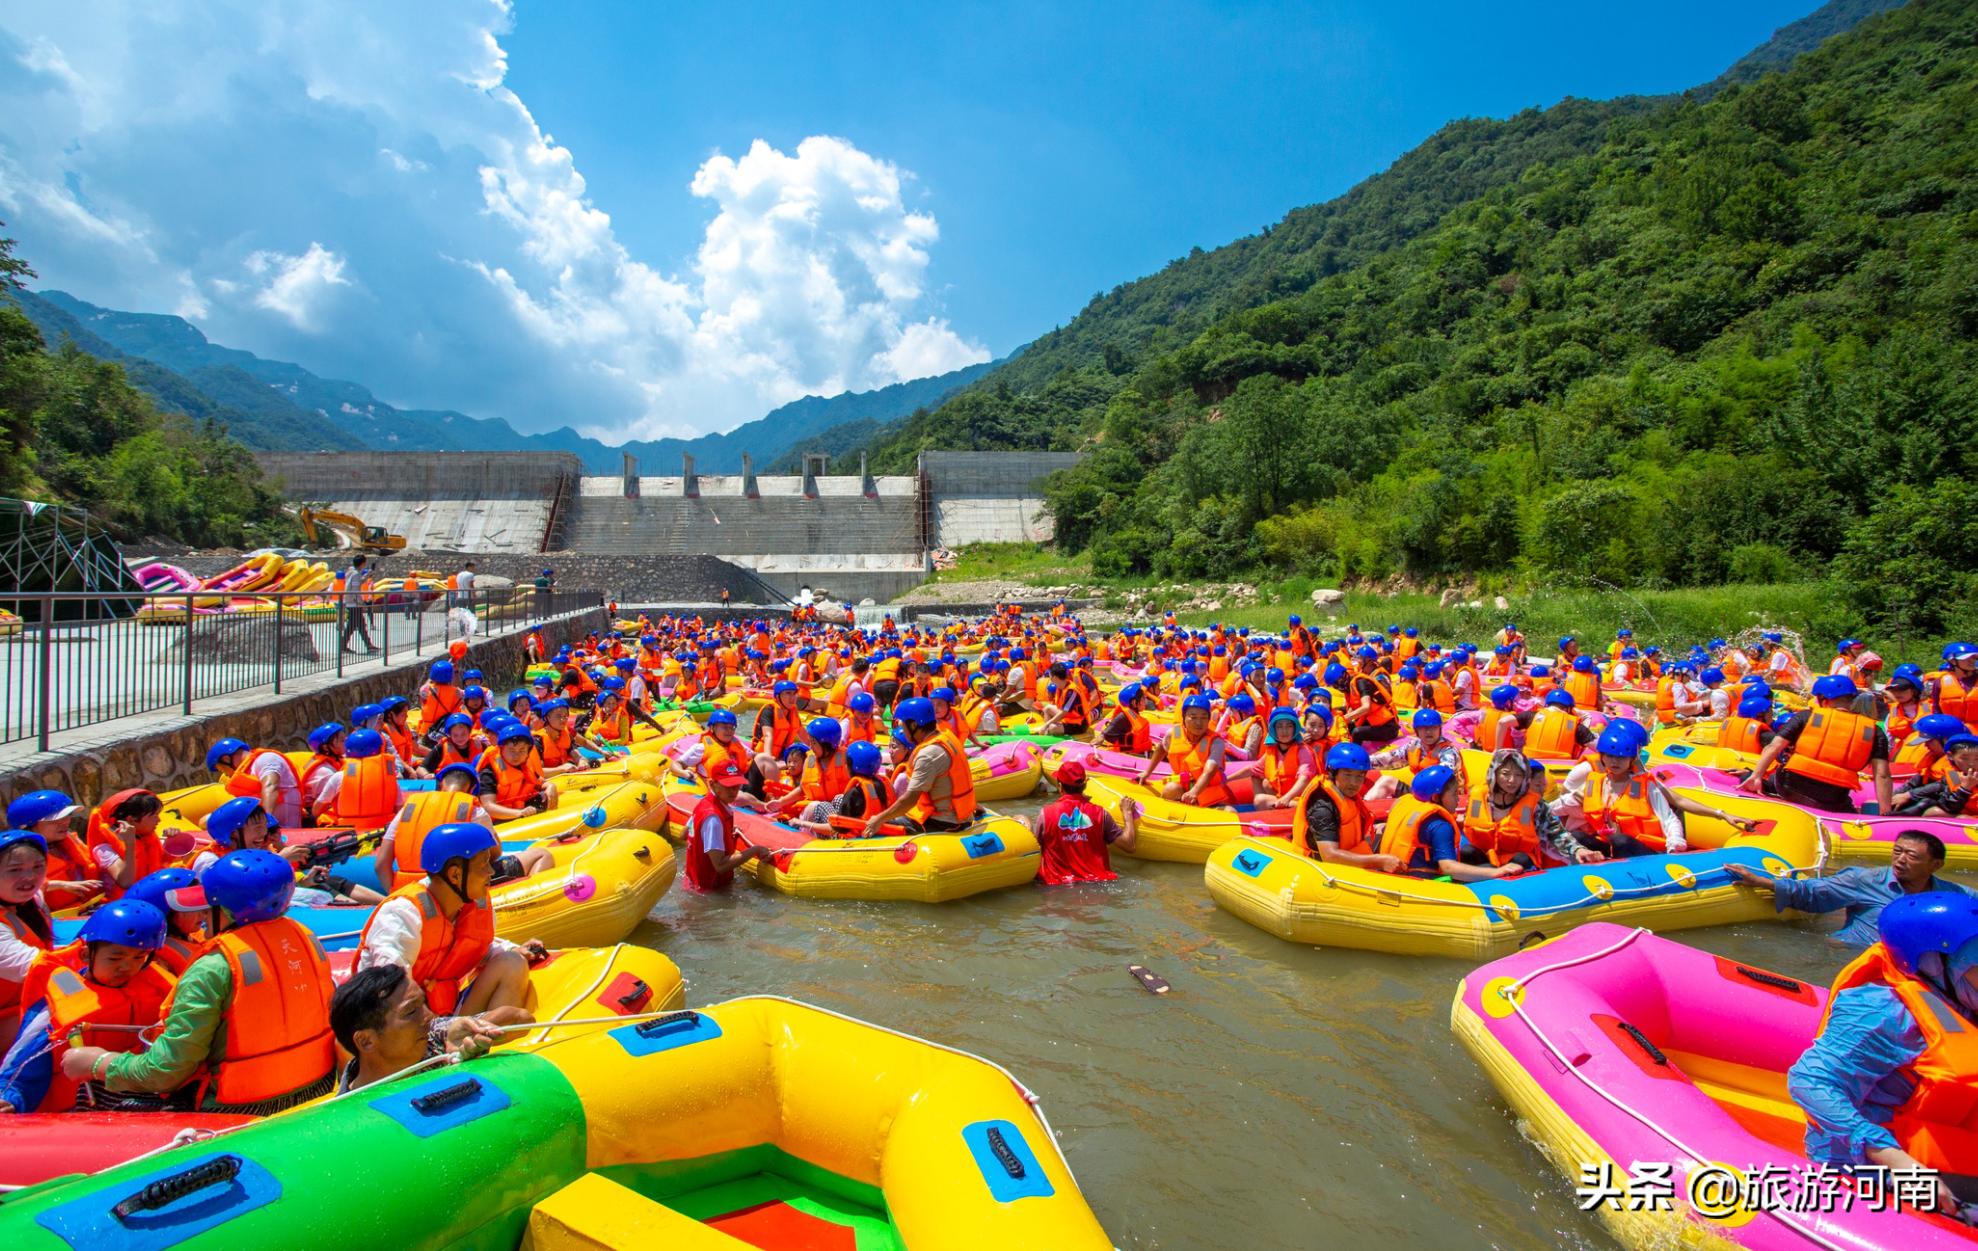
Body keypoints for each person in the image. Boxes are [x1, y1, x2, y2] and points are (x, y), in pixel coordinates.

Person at [60, 849, 337, 1114]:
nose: (203, 916)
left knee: (96, 1091)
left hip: (236, 1106)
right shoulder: (306, 939)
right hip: (314, 1087)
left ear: (227, 913)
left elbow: (165, 1072)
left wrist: (98, 1063)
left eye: (208, 908)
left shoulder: (212, 969)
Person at [1787, 893, 1978, 1213]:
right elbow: (1810, 1081)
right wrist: (1898, 1163)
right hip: (1874, 1168)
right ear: (1934, 960)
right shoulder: (1882, 1010)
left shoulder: (1963, 1001)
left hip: (1951, 1155)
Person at [356, 822, 541, 1026]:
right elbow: (391, 988)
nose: (491, 872)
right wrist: (439, 1029)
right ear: (455, 875)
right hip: (400, 1026)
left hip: (444, 1014)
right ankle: (457, 1044)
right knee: (509, 1018)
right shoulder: (402, 913)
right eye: (483, 865)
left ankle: (476, 1047)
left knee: (512, 962)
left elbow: (475, 947)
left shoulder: (469, 906)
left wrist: (515, 949)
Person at [0, 900, 173, 1114]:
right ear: (85, 955)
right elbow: (25, 1059)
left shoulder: (157, 989)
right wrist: (11, 1097)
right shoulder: (64, 998)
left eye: (139, 957)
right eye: (114, 958)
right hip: (71, 1112)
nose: (126, 967)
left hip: (133, 1102)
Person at [1729, 830, 1973, 947]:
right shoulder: (1865, 880)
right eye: (1897, 851)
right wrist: (1762, 882)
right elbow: (1814, 891)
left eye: (1911, 856)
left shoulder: (1952, 896)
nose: (1900, 860)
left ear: (1936, 865)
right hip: (1852, 951)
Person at [329, 963, 503, 1094]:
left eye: (424, 1002)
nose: (429, 1016)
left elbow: (519, 1018)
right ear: (366, 1041)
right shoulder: (347, 1120)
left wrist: (477, 1035)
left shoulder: (436, 1042)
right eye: (411, 1011)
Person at [1741, 674, 1894, 814]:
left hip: (1790, 789)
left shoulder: (1806, 717)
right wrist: (1885, 811)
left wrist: (1756, 776)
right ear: (1852, 699)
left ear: (1823, 700)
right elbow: (1882, 775)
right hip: (1833, 799)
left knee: (1766, 776)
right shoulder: (1874, 731)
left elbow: (1773, 747)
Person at [1382, 765, 1525, 881]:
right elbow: (1448, 868)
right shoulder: (1440, 826)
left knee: (1470, 852)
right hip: (1423, 883)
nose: (1458, 799)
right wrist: (1498, 872)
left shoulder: (1401, 802)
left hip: (1396, 874)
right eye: (1454, 794)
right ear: (1436, 797)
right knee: (1491, 869)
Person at [861, 698, 979, 835]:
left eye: (903, 725)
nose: (902, 729)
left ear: (913, 725)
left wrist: (878, 819)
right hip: (961, 815)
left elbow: (910, 799)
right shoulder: (947, 737)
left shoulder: (928, 754)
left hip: (942, 823)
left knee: (877, 825)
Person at [1029, 762, 1139, 884]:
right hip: (1099, 884)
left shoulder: (1045, 814)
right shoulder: (1101, 814)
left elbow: (1033, 851)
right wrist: (1127, 813)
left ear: (1060, 786)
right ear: (1084, 785)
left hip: (1057, 885)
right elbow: (1129, 846)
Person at [1297, 743, 1400, 872]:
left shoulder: (1344, 793)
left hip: (1351, 857)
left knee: (1385, 830)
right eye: (1347, 774)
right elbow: (1330, 856)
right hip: (1324, 871)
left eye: (1359, 776)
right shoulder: (1322, 807)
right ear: (1333, 773)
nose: (1354, 783)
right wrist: (1378, 861)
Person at [0, 829, 55, 1049]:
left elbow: (44, 886)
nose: (30, 877)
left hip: (27, 1003)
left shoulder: (33, 900)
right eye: (15, 870)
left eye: (38, 867)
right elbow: (37, 967)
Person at [685, 760, 773, 890]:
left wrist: (725, 834)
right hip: (708, 891)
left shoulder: (704, 804)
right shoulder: (713, 819)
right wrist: (755, 850)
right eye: (729, 786)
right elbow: (720, 866)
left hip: (692, 882)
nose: (734, 791)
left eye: (737, 785)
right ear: (712, 784)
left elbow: (684, 834)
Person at [1136, 694, 1235, 810]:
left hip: (1207, 793)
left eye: (1203, 718)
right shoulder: (1174, 733)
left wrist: (1194, 792)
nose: (1199, 723)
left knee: (1230, 811)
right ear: (1183, 718)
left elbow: (1210, 771)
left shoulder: (1216, 742)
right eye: (1193, 717)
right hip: (1181, 787)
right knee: (1170, 789)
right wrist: (1147, 772)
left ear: (1209, 719)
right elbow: (1161, 749)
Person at [5, 791, 99, 911]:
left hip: (89, 907)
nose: (65, 822)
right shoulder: (15, 856)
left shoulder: (69, 840)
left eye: (67, 816)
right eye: (55, 820)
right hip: (58, 920)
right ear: (29, 827)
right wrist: (61, 885)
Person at [84, 789, 170, 900]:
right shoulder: (103, 848)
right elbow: (125, 882)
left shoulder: (145, 836)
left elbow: (163, 862)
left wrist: (173, 843)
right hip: (124, 906)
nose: (159, 820)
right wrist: (130, 846)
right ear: (131, 819)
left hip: (151, 896)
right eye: (153, 815)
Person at [206, 737, 305, 829]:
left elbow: (270, 786)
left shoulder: (266, 759)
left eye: (222, 769)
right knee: (205, 820)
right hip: (263, 829)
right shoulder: (248, 771)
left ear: (226, 759)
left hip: (284, 829)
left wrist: (266, 824)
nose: (226, 775)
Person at [478, 723, 559, 822]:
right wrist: (519, 813)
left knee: (544, 796)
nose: (516, 756)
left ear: (528, 752)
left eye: (522, 750)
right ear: (501, 749)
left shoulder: (524, 766)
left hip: (519, 812)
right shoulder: (489, 773)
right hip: (497, 822)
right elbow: (488, 806)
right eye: (511, 750)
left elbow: (541, 782)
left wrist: (550, 786)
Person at [1251, 709, 1317, 810]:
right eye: (1279, 726)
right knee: (1264, 783)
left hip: (1304, 801)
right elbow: (1253, 770)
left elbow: (1305, 778)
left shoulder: (1303, 750)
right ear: (1274, 730)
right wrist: (1227, 779)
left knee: (1260, 800)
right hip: (1285, 798)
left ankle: (1271, 814)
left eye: (1289, 726)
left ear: (1294, 728)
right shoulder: (1273, 749)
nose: (1284, 731)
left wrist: (1287, 798)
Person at [338, 552, 377, 655]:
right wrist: (361, 603)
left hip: (351, 603)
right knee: (358, 625)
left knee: (355, 626)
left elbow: (358, 582)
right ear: (362, 563)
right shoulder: (355, 574)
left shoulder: (351, 572)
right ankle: (368, 646)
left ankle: (367, 645)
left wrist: (368, 573)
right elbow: (355, 589)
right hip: (354, 604)